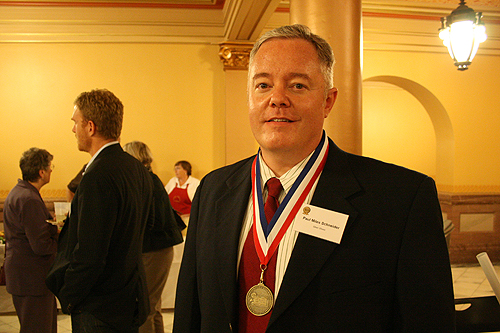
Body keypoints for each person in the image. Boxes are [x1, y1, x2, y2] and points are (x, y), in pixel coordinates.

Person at [173, 24, 456, 332]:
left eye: (297, 85)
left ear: (328, 102)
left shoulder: (401, 200)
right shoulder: (213, 190)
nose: (277, 99)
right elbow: (191, 313)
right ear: (250, 98)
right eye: (263, 85)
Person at [46, 89, 154, 333]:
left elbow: (90, 253)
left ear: (90, 127)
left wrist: (70, 295)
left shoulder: (98, 175)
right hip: (127, 298)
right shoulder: (135, 168)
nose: (73, 129)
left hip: (99, 307)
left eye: (76, 123)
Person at [123, 141, 185, 333]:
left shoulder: (143, 180)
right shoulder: (149, 178)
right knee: (153, 307)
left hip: (154, 249)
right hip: (158, 248)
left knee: (145, 308)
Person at [3, 147, 59, 333]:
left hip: (26, 276)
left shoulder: (21, 192)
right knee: (37, 328)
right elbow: (41, 245)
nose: (52, 170)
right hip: (31, 278)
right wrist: (61, 237)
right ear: (41, 172)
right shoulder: (28, 199)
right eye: (50, 167)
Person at [165, 161, 200, 225]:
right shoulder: (172, 181)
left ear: (185, 170)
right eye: (174, 169)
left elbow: (199, 204)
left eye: (178, 168)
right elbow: (164, 197)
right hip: (172, 219)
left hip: (188, 220)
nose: (175, 171)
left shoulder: (195, 183)